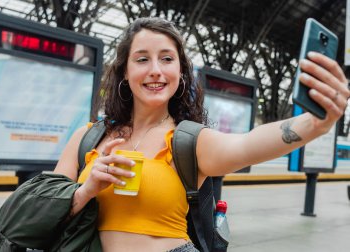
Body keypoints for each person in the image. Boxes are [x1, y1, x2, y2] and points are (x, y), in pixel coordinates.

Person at [53, 17, 349, 252]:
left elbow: (247, 145)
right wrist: (86, 190)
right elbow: (43, 214)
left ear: (180, 72)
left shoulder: (190, 142)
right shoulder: (86, 138)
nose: (155, 70)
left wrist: (316, 124)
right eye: (142, 59)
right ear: (125, 73)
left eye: (167, 59)